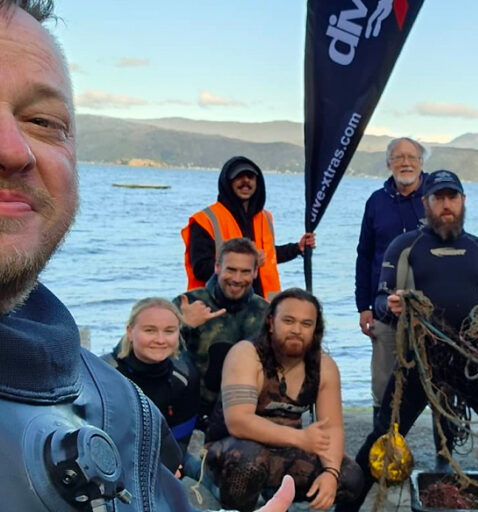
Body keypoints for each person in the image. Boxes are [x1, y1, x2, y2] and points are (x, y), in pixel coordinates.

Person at [0, 1, 293, 510]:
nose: (11, 148)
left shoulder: (117, 408)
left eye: (43, 121)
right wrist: (189, 313)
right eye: (239, 180)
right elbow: (203, 266)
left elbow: (269, 260)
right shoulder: (207, 226)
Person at [338, 170, 478, 512]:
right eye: (438, 198)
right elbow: (381, 300)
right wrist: (391, 304)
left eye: (452, 197)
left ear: (463, 201)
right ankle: (344, 506)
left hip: (471, 362)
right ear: (425, 202)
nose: (446, 205)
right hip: (418, 362)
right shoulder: (405, 247)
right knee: (380, 437)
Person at [205, 288, 364, 512]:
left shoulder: (323, 366)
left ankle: (278, 500)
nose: (297, 330)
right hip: (231, 451)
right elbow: (238, 422)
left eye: (306, 324)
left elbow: (332, 428)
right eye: (288, 321)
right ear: (271, 322)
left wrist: (331, 473)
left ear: (315, 329)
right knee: (249, 462)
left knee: (350, 477)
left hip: (285, 453)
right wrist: (300, 438)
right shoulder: (246, 354)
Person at [355, 137, 428, 419]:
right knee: (383, 384)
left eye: (411, 157)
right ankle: (381, 452)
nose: (405, 162)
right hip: (385, 309)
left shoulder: (437, 196)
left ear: (421, 163)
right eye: (398, 157)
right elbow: (364, 255)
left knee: (438, 383)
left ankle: (442, 456)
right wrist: (363, 306)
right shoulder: (376, 201)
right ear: (388, 164)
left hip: (431, 311)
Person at [182, 155, 315, 300]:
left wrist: (297, 248)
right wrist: (248, 261)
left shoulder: (265, 217)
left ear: (258, 182)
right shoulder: (205, 220)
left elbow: (268, 255)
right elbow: (201, 269)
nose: (245, 181)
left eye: (250, 177)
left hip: (263, 308)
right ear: (228, 182)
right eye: (239, 176)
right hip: (218, 309)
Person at [173, 237, 269, 420]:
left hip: (246, 410)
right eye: (231, 270)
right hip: (191, 408)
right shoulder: (188, 304)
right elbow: (156, 353)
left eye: (245, 272)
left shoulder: (266, 312)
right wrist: (183, 325)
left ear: (255, 272)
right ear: (217, 267)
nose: (237, 279)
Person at [103, 298, 200, 473]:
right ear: (130, 332)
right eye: (150, 331)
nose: (160, 340)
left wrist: (169, 463)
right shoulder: (105, 373)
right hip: (115, 455)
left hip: (167, 452)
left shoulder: (185, 375)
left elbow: (182, 432)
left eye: (169, 331)